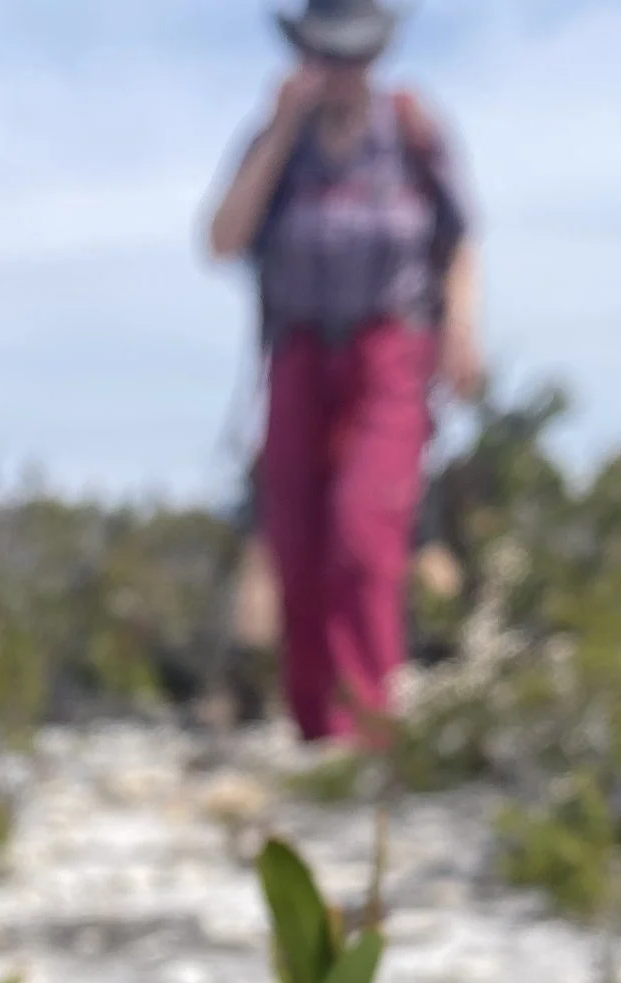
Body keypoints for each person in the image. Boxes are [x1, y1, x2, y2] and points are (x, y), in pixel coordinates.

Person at [207, 0, 483, 745]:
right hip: (298, 351)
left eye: (353, 54)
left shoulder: (413, 133)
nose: (339, 70)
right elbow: (221, 240)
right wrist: (277, 131)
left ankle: (368, 722)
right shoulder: (280, 143)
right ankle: (312, 725)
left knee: (365, 527)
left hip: (389, 347)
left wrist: (460, 327)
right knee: (293, 540)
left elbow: (461, 237)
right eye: (325, 55)